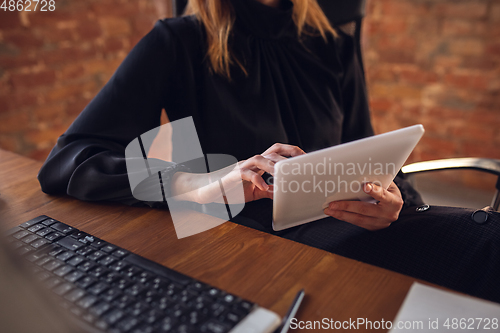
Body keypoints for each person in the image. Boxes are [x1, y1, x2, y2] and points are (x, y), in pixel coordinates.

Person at [38, 0, 500, 303]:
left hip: (351, 230)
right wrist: (198, 183)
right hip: (248, 251)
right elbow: (69, 160)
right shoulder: (177, 41)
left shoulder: (333, 45)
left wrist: (394, 200)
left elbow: (376, 156)